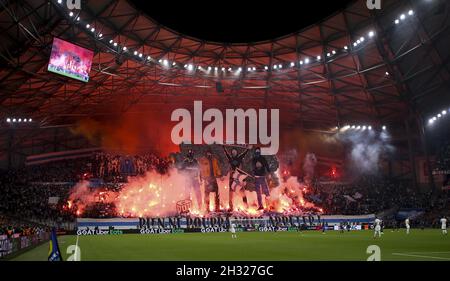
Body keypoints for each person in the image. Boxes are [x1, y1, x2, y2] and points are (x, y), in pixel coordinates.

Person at [223, 145, 250, 212]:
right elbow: (227, 154)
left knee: (241, 191)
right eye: (233, 152)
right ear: (232, 153)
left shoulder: (239, 158)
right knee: (231, 192)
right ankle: (231, 207)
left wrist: (247, 149)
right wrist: (224, 148)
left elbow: (244, 154)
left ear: (236, 153)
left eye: (235, 152)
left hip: (238, 176)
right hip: (232, 176)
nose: (234, 153)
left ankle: (246, 206)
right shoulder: (230, 158)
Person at [199, 148, 222, 212]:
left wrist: (220, 174)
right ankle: (207, 208)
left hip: (213, 178)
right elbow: (201, 170)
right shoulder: (203, 160)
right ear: (206, 153)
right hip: (207, 179)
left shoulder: (214, 160)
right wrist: (202, 178)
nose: (209, 154)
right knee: (207, 194)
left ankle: (217, 207)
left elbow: (217, 168)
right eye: (208, 153)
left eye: (210, 153)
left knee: (217, 193)